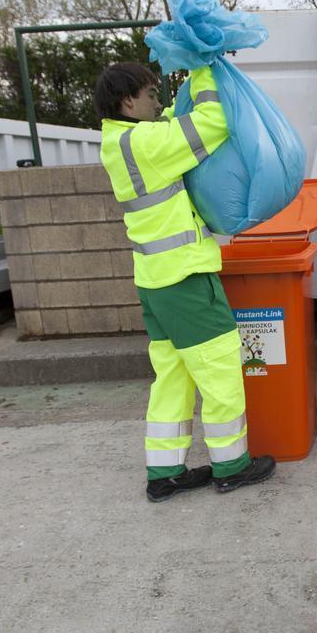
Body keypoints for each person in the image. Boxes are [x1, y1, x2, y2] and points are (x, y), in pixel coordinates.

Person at [94, 62, 276, 503]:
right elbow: (212, 124)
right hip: (184, 279)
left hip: (154, 281)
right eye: (151, 94)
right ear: (128, 102)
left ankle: (165, 474)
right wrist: (204, 72)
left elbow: (177, 120)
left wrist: (182, 98)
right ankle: (232, 467)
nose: (158, 102)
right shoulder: (147, 142)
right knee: (219, 371)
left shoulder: (118, 142)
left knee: (172, 379)